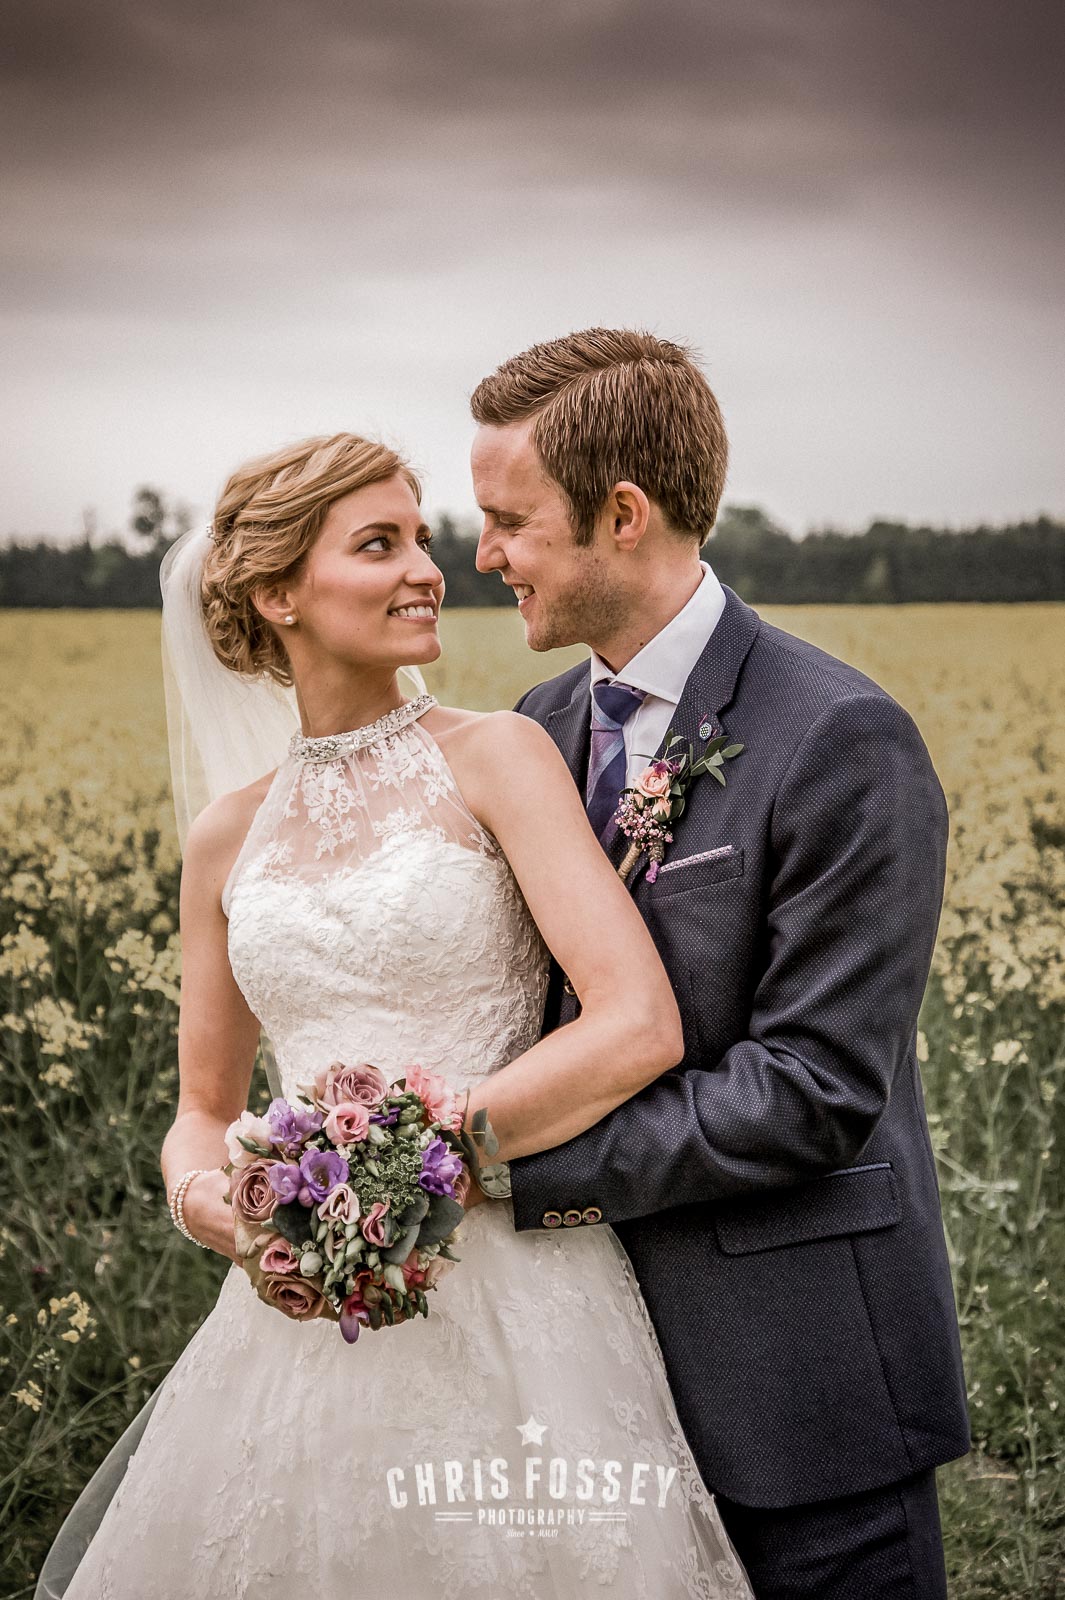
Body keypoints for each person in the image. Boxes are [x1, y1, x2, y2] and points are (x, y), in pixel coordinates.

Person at [35, 432, 754, 1599]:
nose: (429, 568)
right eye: (380, 544)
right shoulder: (224, 836)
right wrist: (216, 1209)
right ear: (279, 594)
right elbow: (203, 1107)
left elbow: (636, 1023)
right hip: (296, 1311)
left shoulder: (499, 756)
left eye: (423, 537)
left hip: (515, 1289)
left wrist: (412, 1155)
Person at [469, 326, 971, 1600]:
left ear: (622, 514)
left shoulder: (840, 734)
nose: (483, 554)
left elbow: (811, 1088)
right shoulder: (539, 728)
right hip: (582, 1381)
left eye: (511, 521)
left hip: (798, 1383)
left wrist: (511, 1166)